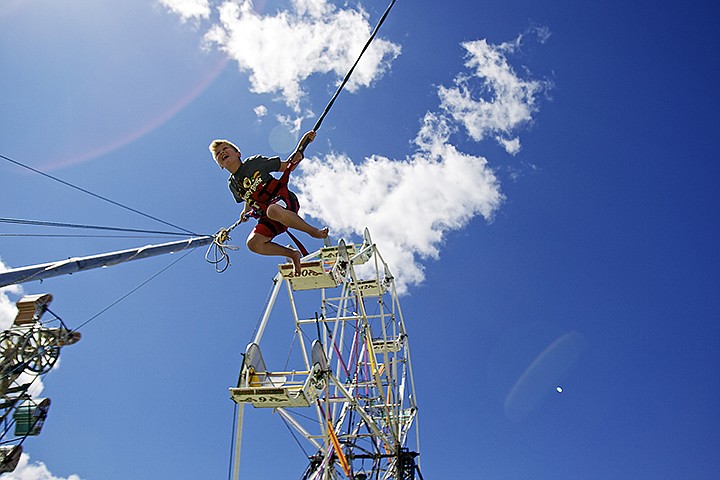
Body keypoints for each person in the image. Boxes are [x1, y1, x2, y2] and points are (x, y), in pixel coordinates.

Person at [209, 130, 328, 274]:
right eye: (218, 154)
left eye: (225, 149)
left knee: (273, 210)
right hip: (269, 217)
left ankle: (313, 231)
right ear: (220, 165)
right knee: (253, 243)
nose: (221, 153)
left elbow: (287, 165)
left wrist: (304, 143)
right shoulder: (232, 185)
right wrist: (245, 211)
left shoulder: (254, 163)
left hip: (284, 202)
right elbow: (249, 197)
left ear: (238, 153)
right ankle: (292, 254)